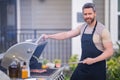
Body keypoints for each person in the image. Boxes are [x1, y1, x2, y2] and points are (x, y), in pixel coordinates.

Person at [43, 3, 114, 80]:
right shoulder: (82, 27)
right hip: (83, 66)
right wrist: (49, 36)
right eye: (85, 14)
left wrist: (93, 60)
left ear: (95, 13)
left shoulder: (102, 30)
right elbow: (66, 34)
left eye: (90, 14)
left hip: (97, 69)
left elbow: (109, 51)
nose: (87, 16)